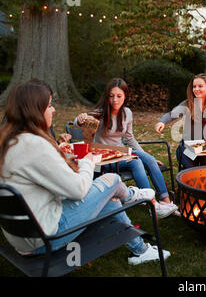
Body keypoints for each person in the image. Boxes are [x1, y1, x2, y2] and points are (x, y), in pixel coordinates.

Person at [0, 80, 170, 264]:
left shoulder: (11, 142)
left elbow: (41, 177)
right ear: (34, 110)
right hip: (44, 237)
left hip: (22, 235)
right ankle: (131, 195)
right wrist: (87, 161)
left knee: (109, 199)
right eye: (49, 105)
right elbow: (78, 189)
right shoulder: (35, 144)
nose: (54, 110)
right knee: (111, 180)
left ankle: (139, 250)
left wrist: (65, 163)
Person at [75, 78, 177, 219]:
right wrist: (80, 119)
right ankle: (152, 204)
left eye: (119, 96)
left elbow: (130, 138)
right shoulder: (100, 113)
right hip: (106, 159)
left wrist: (146, 155)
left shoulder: (127, 113)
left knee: (150, 159)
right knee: (136, 161)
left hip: (122, 153)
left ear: (125, 96)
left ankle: (166, 202)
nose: (115, 100)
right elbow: (80, 121)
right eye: (111, 96)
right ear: (107, 97)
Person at [155, 73, 206, 169]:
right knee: (191, 169)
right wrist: (162, 121)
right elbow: (171, 114)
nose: (196, 89)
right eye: (194, 86)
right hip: (188, 149)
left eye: (200, 86)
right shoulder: (187, 104)